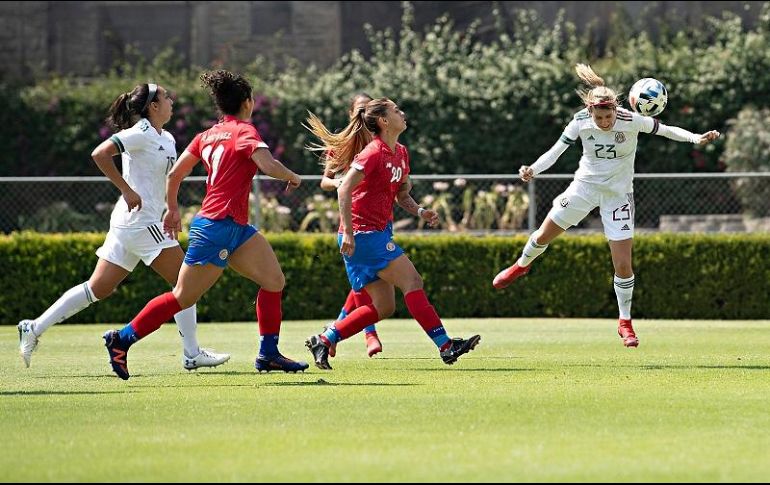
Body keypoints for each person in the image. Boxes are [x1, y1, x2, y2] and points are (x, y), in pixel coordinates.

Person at [493, 64, 720, 347]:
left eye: (608, 115)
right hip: (584, 189)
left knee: (623, 265)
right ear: (590, 112)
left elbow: (667, 130)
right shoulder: (579, 122)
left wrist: (696, 138)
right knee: (542, 235)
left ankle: (625, 322)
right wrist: (533, 169)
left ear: (616, 110)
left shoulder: (631, 120)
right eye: (599, 116)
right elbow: (555, 152)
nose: (604, 121)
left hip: (618, 196)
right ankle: (520, 266)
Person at [102, 70, 309, 380]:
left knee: (274, 280)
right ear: (247, 103)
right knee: (183, 296)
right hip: (216, 226)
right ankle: (123, 339)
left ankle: (268, 354)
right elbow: (267, 165)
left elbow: (175, 175)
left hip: (234, 226)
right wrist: (292, 176)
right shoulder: (245, 131)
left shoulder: (207, 135)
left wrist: (173, 209)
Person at [17, 83, 229, 371]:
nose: (171, 100)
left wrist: (171, 209)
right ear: (153, 106)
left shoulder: (165, 138)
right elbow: (100, 154)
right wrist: (126, 190)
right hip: (140, 223)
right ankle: (191, 353)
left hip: (132, 223)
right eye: (166, 97)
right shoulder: (139, 132)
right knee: (185, 282)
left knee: (98, 289)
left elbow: (164, 180)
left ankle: (33, 327)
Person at [304, 97, 481, 370]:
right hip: (363, 235)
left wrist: (420, 211)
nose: (402, 113)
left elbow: (402, 195)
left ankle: (325, 339)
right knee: (413, 280)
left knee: (384, 306)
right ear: (384, 121)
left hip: (375, 234)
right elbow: (342, 188)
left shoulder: (400, 152)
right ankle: (446, 345)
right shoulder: (372, 153)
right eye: (396, 110)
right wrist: (349, 233)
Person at [315, 92, 382, 358]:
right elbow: (325, 181)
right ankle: (369, 334)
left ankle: (333, 331)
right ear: (352, 114)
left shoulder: (380, 144)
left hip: (378, 219)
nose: (366, 114)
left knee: (363, 280)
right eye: (361, 109)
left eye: (369, 109)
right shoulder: (343, 146)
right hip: (352, 220)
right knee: (362, 282)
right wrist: (340, 183)